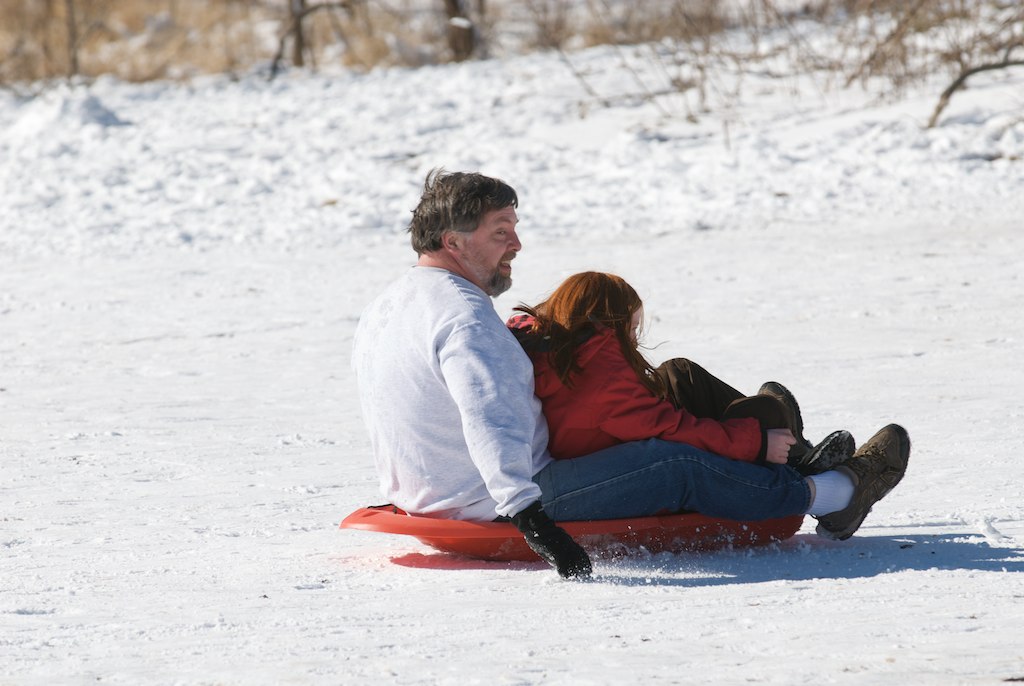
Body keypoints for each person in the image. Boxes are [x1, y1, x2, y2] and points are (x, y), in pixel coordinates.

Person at [351, 169, 911, 580]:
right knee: (672, 463)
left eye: (514, 228)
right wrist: (530, 517)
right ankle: (836, 492)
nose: (516, 244)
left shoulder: (391, 304)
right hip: (496, 497)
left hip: (429, 491)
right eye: (501, 231)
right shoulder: (465, 318)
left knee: (672, 393)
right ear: (453, 241)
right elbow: (486, 416)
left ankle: (790, 456)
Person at [507, 271, 854, 472]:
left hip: (615, 437)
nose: (633, 339)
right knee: (766, 414)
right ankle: (799, 462)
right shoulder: (602, 380)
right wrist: (757, 442)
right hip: (629, 462)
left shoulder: (557, 347)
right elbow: (672, 429)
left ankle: (797, 448)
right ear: (606, 323)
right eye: (630, 330)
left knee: (679, 372)